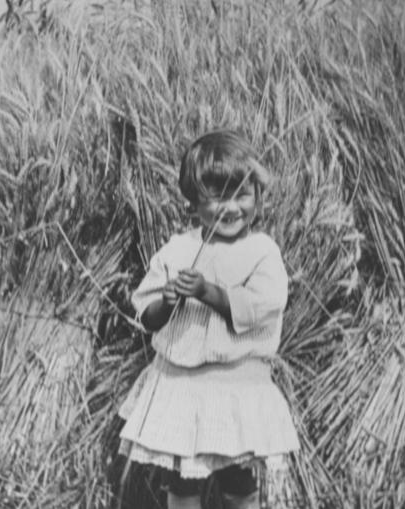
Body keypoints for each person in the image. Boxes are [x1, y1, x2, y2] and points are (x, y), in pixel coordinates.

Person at [118, 129, 300, 509]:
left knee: (237, 475)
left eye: (242, 194)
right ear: (193, 202)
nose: (230, 208)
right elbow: (147, 316)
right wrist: (167, 302)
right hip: (179, 386)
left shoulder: (261, 252)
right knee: (182, 481)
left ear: (258, 197)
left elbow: (263, 304)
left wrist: (207, 292)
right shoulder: (178, 249)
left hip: (236, 388)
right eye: (216, 196)